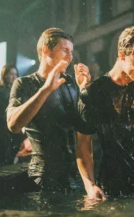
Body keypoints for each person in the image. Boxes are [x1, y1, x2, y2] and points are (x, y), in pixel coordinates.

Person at [76, 25, 134, 199]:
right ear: (121, 55)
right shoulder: (94, 93)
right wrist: (90, 186)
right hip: (114, 186)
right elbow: (83, 147)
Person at [6, 28, 91, 191]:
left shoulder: (70, 82)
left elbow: (82, 126)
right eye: (65, 50)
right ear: (46, 50)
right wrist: (45, 89)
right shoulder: (24, 84)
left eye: (71, 51)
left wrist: (84, 91)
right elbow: (13, 125)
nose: (70, 56)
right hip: (43, 177)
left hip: (75, 175)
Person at [0, 64, 24, 166]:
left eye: (15, 74)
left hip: (13, 125)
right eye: (11, 74)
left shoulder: (18, 91)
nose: (14, 76)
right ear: (5, 75)